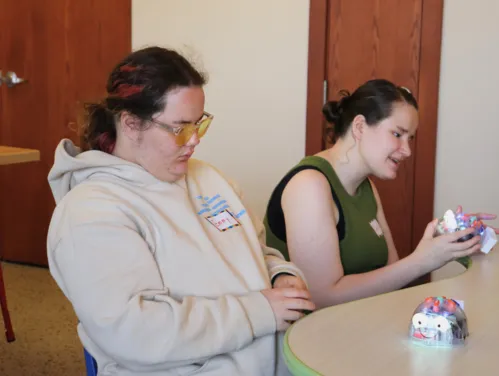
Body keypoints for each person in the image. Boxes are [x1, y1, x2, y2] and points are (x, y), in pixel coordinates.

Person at [46, 46, 315, 376]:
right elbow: (136, 332)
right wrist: (257, 312)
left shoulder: (210, 179)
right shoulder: (90, 211)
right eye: (180, 128)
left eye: (199, 124)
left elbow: (258, 252)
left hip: (270, 358)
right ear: (130, 124)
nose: (194, 141)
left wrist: (280, 275)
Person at [264, 78, 497, 310]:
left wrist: (442, 240)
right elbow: (321, 297)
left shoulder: (366, 187)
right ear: (359, 127)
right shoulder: (309, 185)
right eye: (397, 134)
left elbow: (391, 275)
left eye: (410, 138)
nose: (407, 150)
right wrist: (423, 260)